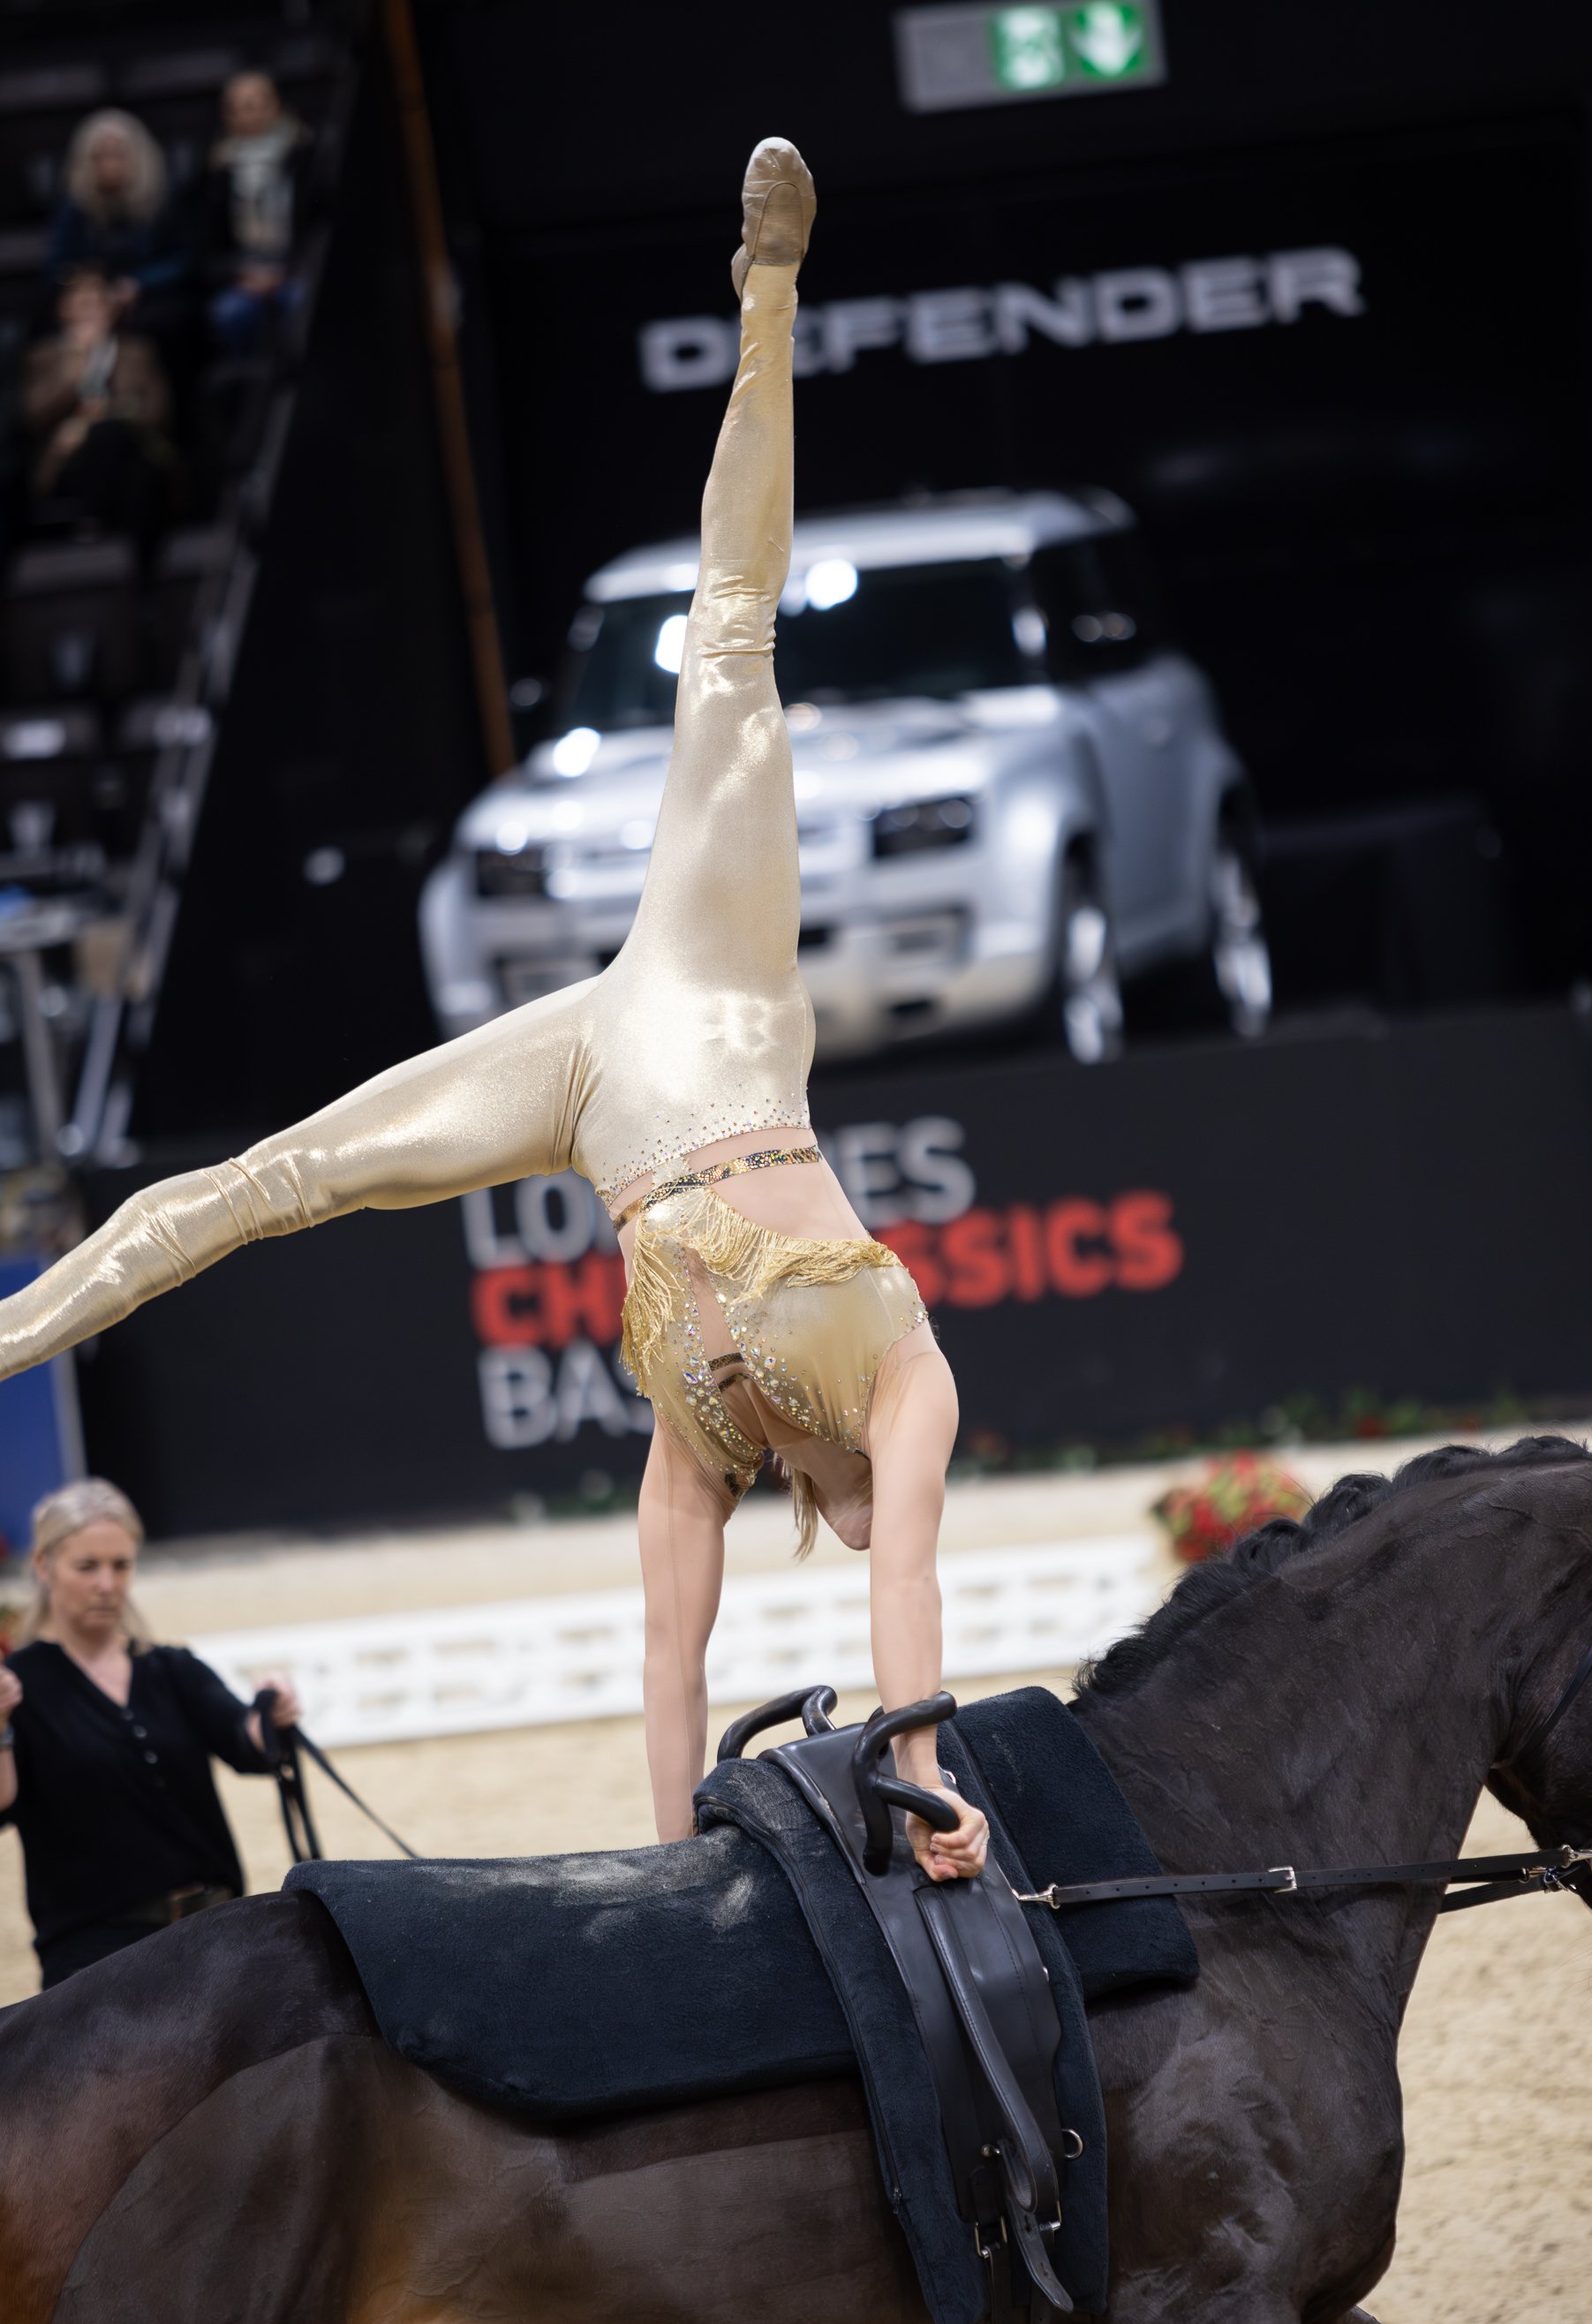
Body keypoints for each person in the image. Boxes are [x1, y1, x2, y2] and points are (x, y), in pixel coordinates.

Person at [0, 141, 987, 1883]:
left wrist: (678, 1862)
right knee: (731, 647)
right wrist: (919, 1780)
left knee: (278, 1183)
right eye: (846, 1515)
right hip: (720, 1005)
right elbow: (904, 1582)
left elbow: (668, 1664)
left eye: (831, 1522)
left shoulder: (705, 1446)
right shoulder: (909, 1383)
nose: (845, 1527)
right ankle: (769, 293)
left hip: (602, 1106)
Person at [0, 1478, 299, 1989]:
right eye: (87, 1566)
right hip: (95, 1957)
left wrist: (273, 1710)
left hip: (215, 1932)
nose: (107, 1584)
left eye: (121, 1565)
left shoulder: (171, 1668)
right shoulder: (18, 1685)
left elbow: (245, 1741)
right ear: (44, 1567)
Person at [23, 268, 177, 549]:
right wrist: (74, 373)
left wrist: (97, 420)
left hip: (130, 444)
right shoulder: (44, 355)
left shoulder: (138, 351)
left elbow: (158, 411)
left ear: (112, 311)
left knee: (115, 443)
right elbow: (33, 414)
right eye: (83, 306)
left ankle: (106, 527)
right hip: (67, 459)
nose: (91, 314)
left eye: (98, 304)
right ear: (65, 312)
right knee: (134, 475)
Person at [46, 109, 192, 336]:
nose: (109, 164)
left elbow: (183, 260)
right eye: (100, 157)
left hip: (151, 295)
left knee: (165, 319)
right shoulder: (75, 206)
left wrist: (139, 283)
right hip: (94, 297)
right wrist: (89, 286)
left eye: (117, 155)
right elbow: (59, 264)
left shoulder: (163, 201)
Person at [202, 69, 309, 356]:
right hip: (243, 276)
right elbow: (210, 245)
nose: (247, 115)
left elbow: (316, 224)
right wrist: (240, 274)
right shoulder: (217, 171)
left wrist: (288, 270)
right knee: (229, 313)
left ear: (274, 105)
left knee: (302, 302)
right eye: (237, 108)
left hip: (296, 269)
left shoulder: (302, 157)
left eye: (254, 105)